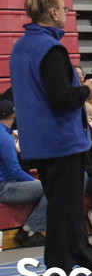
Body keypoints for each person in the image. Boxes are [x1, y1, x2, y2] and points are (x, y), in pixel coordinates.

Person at [10, 0, 92, 276]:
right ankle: (57, 271)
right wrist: (85, 91)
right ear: (52, 13)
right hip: (61, 140)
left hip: (39, 141)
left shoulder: (20, 47)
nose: (66, 13)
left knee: (67, 205)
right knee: (64, 209)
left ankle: (89, 263)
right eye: (64, 8)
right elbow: (61, 99)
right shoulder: (51, 49)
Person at [0, 99, 47, 247]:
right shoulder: (4, 137)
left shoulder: (5, 135)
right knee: (50, 189)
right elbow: (14, 171)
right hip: (4, 187)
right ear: (14, 115)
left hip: (5, 184)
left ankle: (28, 230)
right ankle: (32, 230)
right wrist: (34, 181)